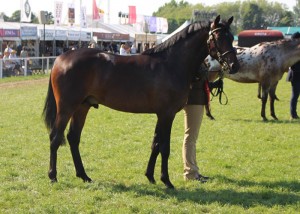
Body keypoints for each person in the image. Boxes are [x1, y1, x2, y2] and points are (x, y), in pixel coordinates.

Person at [182, 65, 211, 183]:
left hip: (197, 98)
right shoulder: (193, 60)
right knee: (191, 138)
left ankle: (193, 171)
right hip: (194, 99)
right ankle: (190, 173)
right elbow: (195, 80)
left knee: (192, 138)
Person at [287, 32, 300, 120]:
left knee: (295, 95)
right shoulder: (291, 50)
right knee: (295, 95)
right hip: (295, 74)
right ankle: (293, 114)